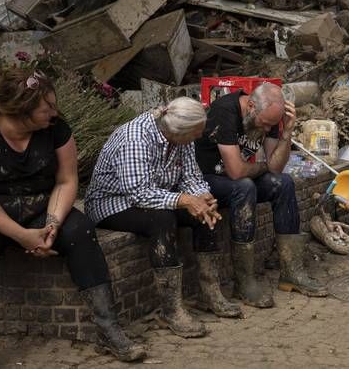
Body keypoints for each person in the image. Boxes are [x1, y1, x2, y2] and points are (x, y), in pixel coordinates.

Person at [0, 68, 144, 368]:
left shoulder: (56, 129)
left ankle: (109, 328)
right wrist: (22, 235)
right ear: (22, 110)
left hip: (37, 206)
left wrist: (52, 226)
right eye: (47, 108)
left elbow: (66, 181)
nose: (55, 113)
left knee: (80, 229)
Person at [85, 97, 241, 338]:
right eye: (196, 133)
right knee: (162, 219)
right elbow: (140, 193)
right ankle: (171, 309)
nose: (198, 138)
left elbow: (191, 176)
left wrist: (202, 196)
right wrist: (186, 200)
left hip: (158, 197)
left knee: (207, 214)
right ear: (178, 132)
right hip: (114, 203)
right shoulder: (135, 138)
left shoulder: (182, 137)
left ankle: (210, 293)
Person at [194, 82, 327, 308]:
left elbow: (275, 167)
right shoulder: (225, 111)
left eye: (270, 126)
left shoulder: (271, 116)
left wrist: (286, 133)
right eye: (264, 124)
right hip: (206, 179)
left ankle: (291, 272)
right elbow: (236, 171)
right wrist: (261, 167)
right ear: (251, 105)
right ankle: (244, 282)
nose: (266, 130)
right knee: (245, 187)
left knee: (283, 183)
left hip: (239, 176)